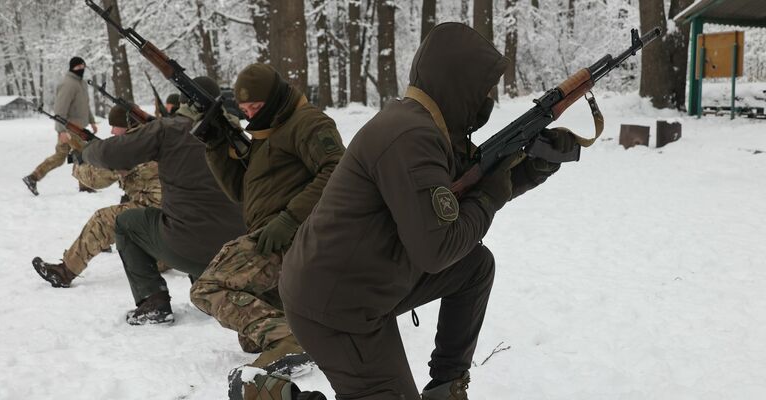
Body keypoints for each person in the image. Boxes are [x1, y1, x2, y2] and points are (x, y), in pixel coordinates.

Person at [232, 23, 579, 399]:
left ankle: (447, 387)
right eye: (483, 89)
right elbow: (437, 249)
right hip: (333, 304)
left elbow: (460, 200)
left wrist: (535, 167)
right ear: (456, 84)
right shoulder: (410, 137)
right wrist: (490, 197)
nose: (488, 98)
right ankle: (267, 394)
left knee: (474, 267)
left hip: (369, 279)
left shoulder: (428, 130)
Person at [189, 63, 344, 376]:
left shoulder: (307, 122)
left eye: (256, 107)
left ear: (274, 98)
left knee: (205, 289)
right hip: (273, 233)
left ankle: (289, 339)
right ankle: (298, 335)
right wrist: (216, 144)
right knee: (251, 339)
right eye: (244, 108)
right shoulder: (268, 128)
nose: (250, 114)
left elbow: (337, 172)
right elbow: (239, 189)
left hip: (294, 236)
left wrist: (289, 220)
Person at [80, 77, 246, 325]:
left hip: (188, 248)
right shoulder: (238, 134)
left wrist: (86, 149)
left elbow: (108, 154)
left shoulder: (170, 130)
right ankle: (204, 283)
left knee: (126, 223)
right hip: (238, 251)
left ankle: (153, 302)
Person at [31, 105, 162, 288]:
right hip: (176, 219)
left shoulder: (130, 148)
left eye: (115, 126)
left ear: (128, 125)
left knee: (103, 220)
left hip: (160, 219)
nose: (112, 131)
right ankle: (160, 260)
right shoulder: (154, 137)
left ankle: (65, 272)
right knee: (127, 205)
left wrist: (79, 159)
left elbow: (94, 180)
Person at [23, 56, 98, 196]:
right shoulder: (68, 84)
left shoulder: (81, 83)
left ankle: (33, 177)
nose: (81, 69)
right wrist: (61, 130)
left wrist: (92, 121)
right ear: (72, 67)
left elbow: (85, 106)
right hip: (69, 129)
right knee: (83, 154)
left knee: (60, 157)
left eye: (83, 67)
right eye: (78, 67)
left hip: (80, 128)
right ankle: (85, 186)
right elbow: (60, 109)